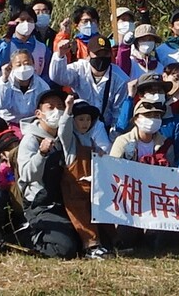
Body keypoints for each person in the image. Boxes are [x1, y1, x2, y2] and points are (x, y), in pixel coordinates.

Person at [17, 89, 79, 258]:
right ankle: (26, 235)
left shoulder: (64, 137)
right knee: (64, 248)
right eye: (50, 107)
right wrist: (41, 154)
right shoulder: (30, 140)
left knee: (85, 237)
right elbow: (26, 175)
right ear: (39, 113)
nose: (56, 111)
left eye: (60, 106)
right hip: (39, 204)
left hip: (63, 199)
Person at [58, 96, 113, 259]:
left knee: (101, 217)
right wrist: (68, 109)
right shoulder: (70, 141)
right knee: (82, 217)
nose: (85, 123)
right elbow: (63, 130)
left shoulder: (90, 140)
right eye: (80, 119)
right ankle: (91, 247)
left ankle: (110, 244)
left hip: (92, 187)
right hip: (74, 188)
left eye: (88, 119)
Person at [49, 35, 128, 138]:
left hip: (103, 127)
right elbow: (58, 77)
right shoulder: (80, 68)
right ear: (89, 54)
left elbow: (118, 113)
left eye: (105, 53)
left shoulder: (121, 79)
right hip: (78, 124)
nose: (101, 57)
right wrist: (60, 55)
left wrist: (112, 138)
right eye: (97, 54)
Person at [0, 49, 52, 124]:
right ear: (11, 67)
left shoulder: (42, 86)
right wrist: (5, 79)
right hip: (6, 122)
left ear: (33, 64)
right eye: (18, 65)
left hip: (30, 123)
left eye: (26, 64)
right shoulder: (4, 82)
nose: (23, 68)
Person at [110, 100, 176, 167]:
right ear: (136, 119)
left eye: (156, 116)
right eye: (148, 115)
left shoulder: (166, 144)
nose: (152, 119)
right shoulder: (123, 141)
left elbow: (171, 172)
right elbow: (112, 167)